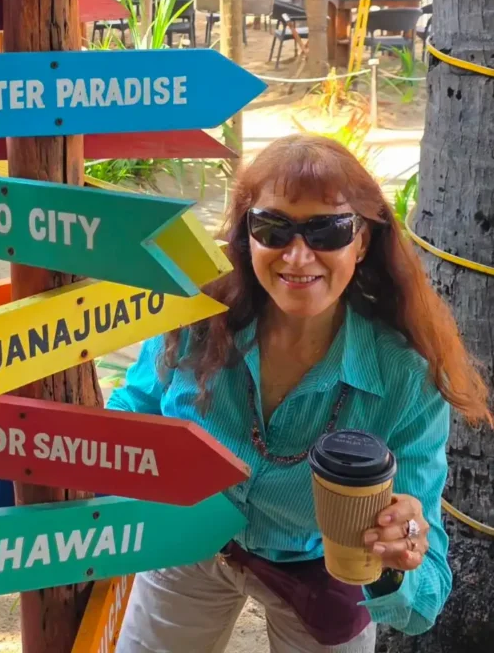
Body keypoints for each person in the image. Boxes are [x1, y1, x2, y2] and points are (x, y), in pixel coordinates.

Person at [110, 135, 491, 653]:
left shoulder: (405, 379)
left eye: (327, 231)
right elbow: (131, 416)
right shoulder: (193, 320)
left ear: (362, 241)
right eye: (273, 227)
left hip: (325, 569)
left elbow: (425, 596)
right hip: (191, 538)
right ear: (248, 236)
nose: (297, 254)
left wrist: (392, 563)